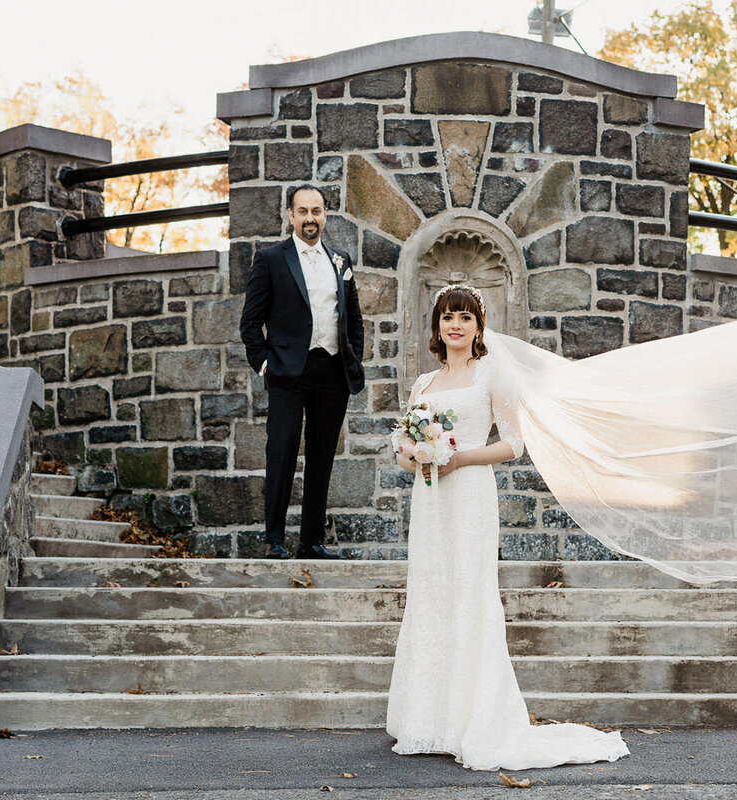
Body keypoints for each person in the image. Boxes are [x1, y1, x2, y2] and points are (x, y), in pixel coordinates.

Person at [385, 284, 630, 771]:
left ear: (478, 327)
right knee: (432, 590)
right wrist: (417, 457)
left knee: (471, 594)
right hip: (431, 501)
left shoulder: (490, 375)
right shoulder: (423, 386)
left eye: (465, 317)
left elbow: (514, 442)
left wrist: (458, 458)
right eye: (447, 317)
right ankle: (429, 720)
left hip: (471, 493)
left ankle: (473, 721)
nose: (455, 325)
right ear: (437, 326)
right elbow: (404, 449)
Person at [238, 184, 365, 560]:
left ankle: (311, 541)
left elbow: (353, 317)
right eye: (303, 211)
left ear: (326, 215)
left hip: (331, 371)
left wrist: (352, 356)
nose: (311, 218)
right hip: (288, 373)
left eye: (317, 211)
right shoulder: (271, 259)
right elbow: (250, 324)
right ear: (290, 216)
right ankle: (274, 540)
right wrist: (264, 364)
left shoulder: (341, 260)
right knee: (282, 453)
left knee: (322, 456)